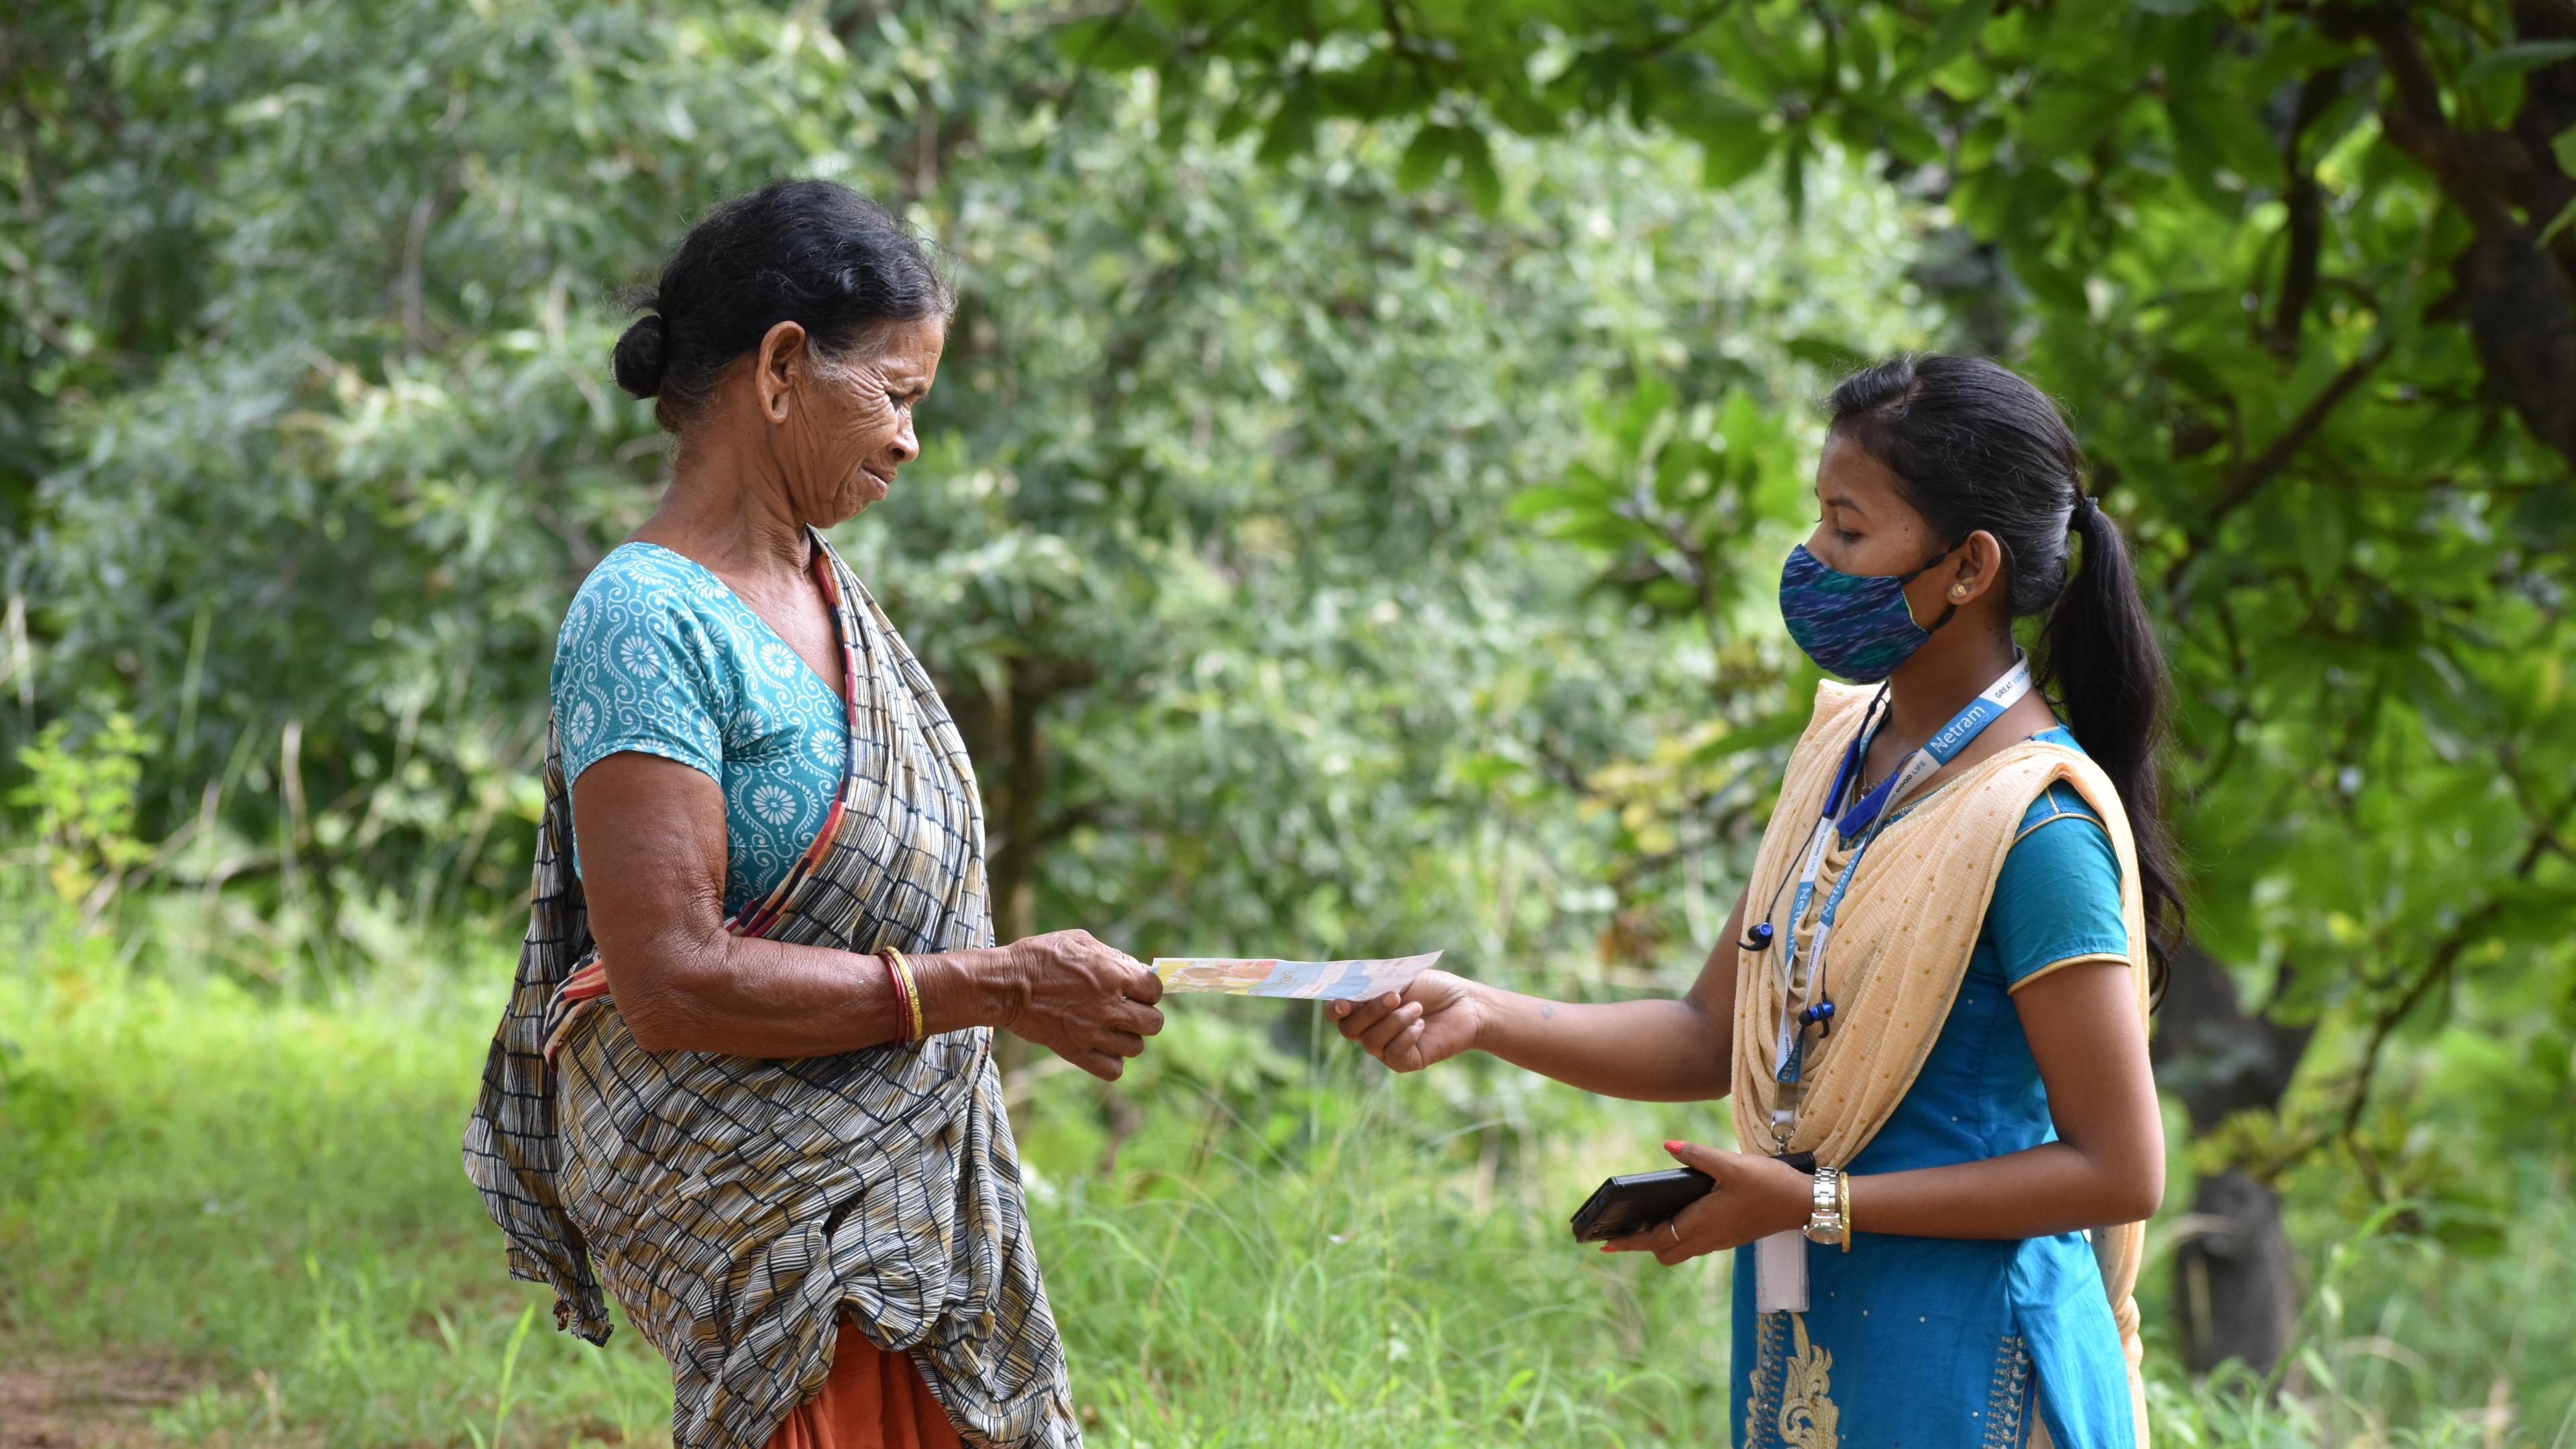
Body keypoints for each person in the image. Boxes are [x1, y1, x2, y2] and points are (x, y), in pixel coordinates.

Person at [1334, 355, 2173, 1448]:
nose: (1813, 559)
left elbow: (2122, 1168)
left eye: (1848, 529)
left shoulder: (2040, 830)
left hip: (1973, 1361)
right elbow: (1708, 1036)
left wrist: (1821, 1203)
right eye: (1817, 521)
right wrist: (1480, 1015)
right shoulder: (1844, 753)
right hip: (1824, 1329)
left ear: (1969, 566)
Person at [464, 179, 1165, 1449]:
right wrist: (996, 987)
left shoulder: (835, 600)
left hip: (901, 1210)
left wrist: (998, 989)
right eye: (895, 395)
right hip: (767, 1218)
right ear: (783, 367)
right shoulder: (645, 620)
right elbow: (672, 980)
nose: (908, 441)